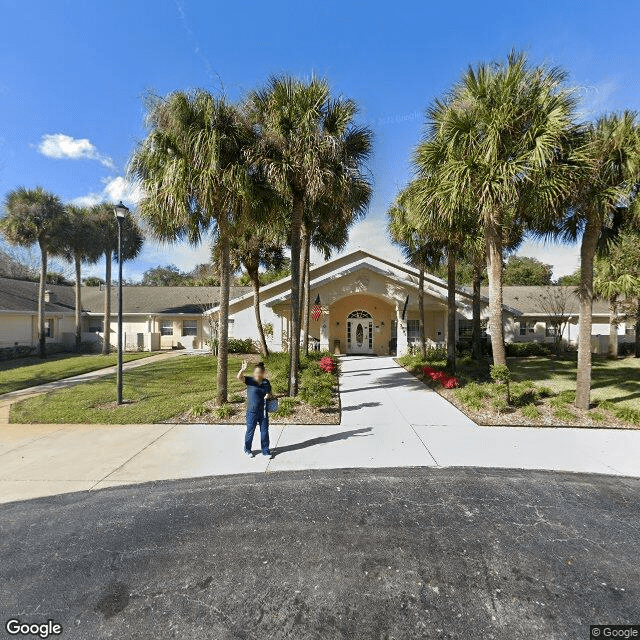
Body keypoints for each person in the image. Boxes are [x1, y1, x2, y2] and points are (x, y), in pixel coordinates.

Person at [237, 360, 273, 458]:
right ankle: (247, 449)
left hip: (263, 411)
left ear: (263, 373)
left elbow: (270, 393)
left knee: (265, 432)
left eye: (259, 373)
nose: (257, 374)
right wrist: (242, 370)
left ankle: (266, 451)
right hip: (251, 411)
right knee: (250, 431)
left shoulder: (266, 382)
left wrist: (268, 395)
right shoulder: (250, 380)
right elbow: (239, 378)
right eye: (256, 373)